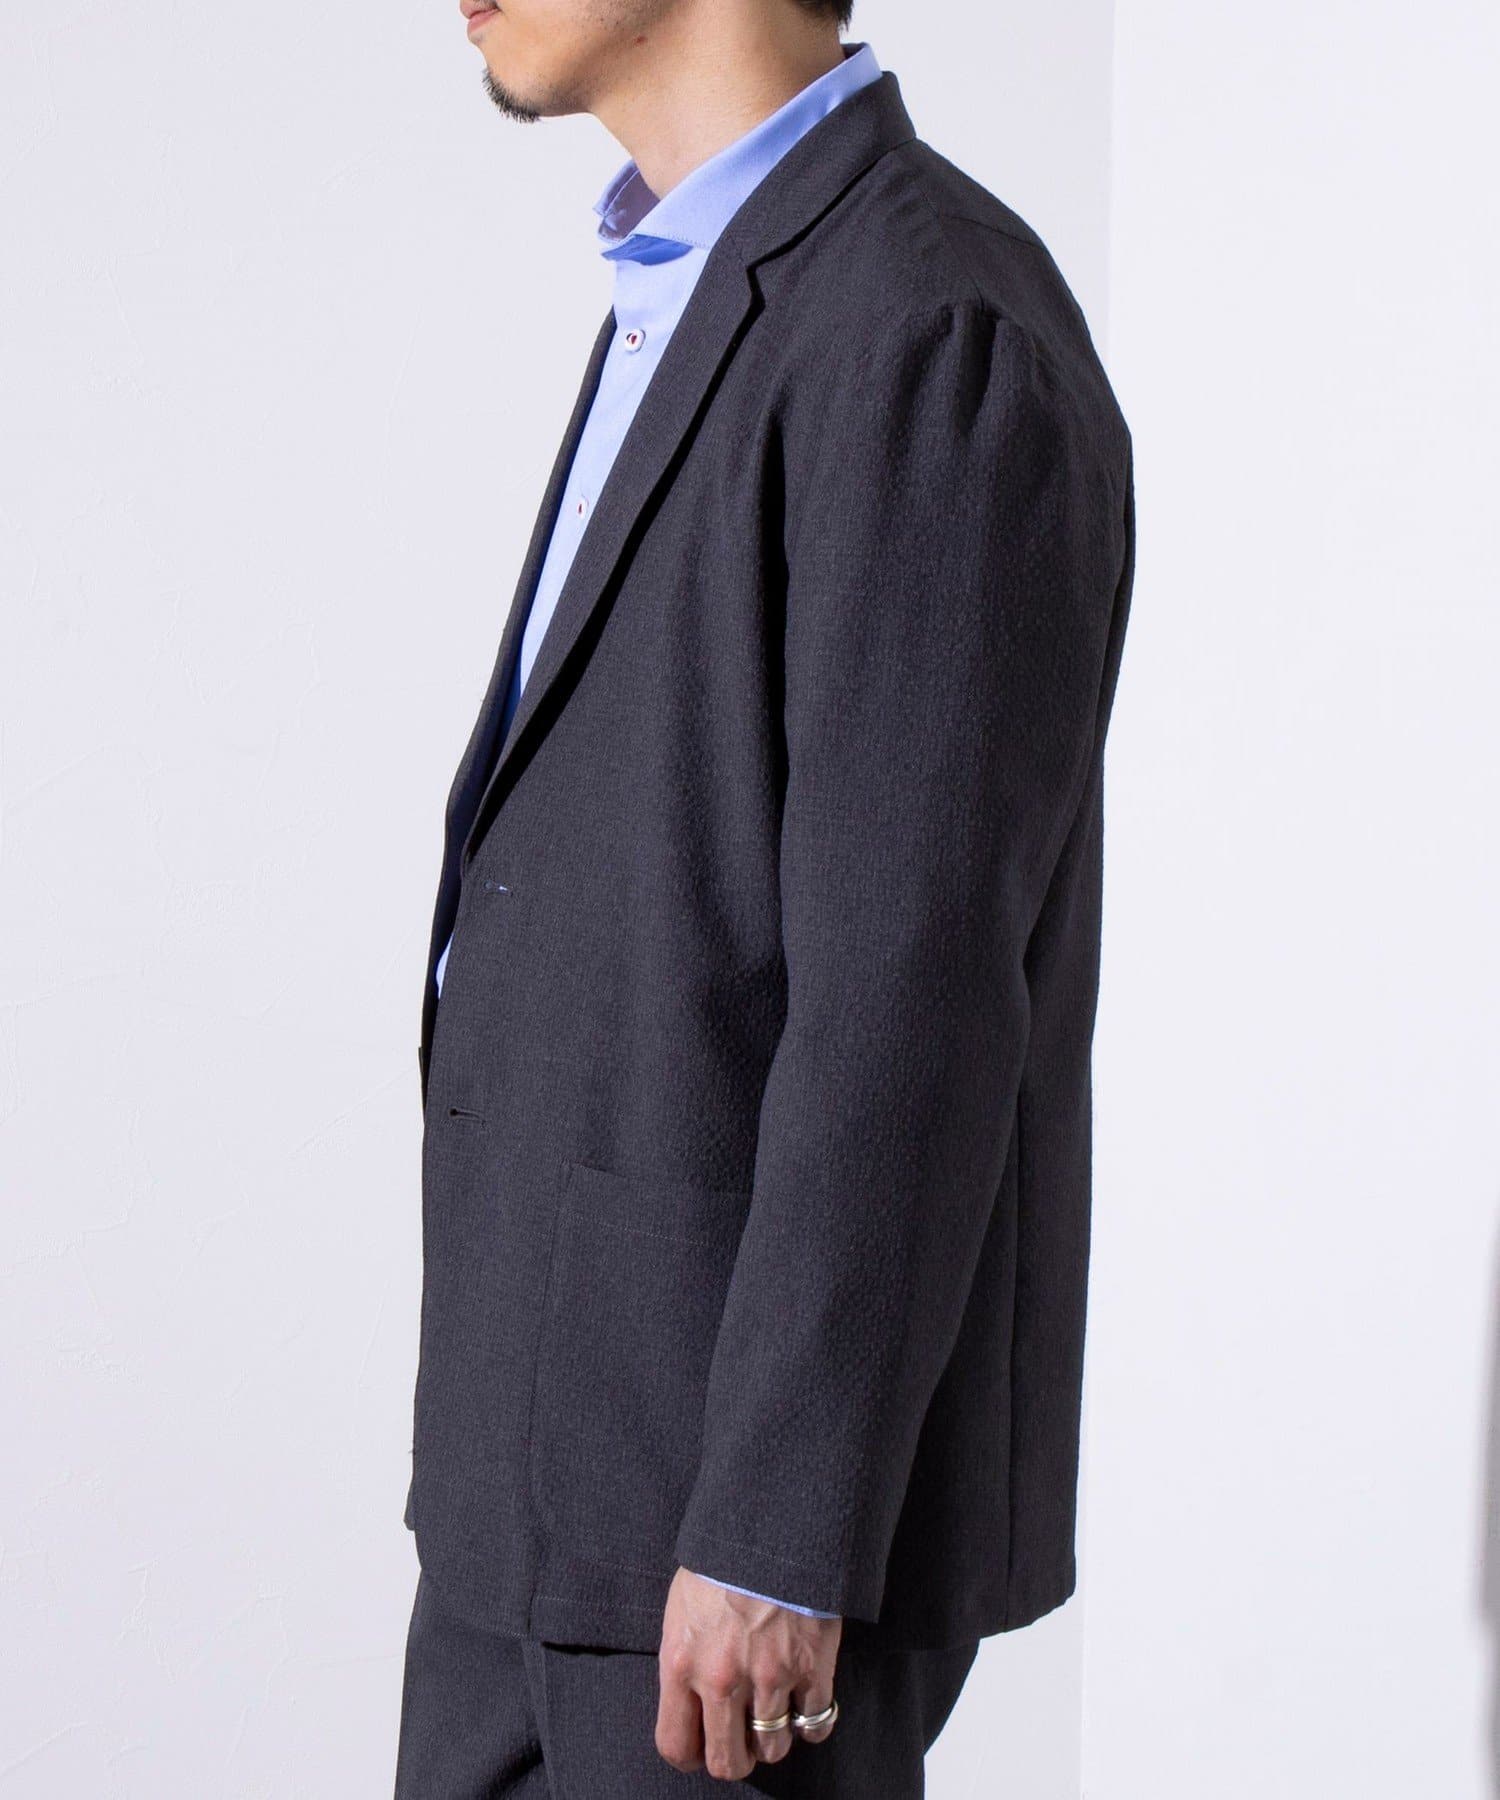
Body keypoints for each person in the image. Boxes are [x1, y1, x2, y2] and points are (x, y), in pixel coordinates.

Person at [394, 0, 1135, 1791]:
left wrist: (779, 1530)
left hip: (714, 1550)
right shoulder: (694, 286)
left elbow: (914, 990)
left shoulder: (929, 329)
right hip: (536, 1486)